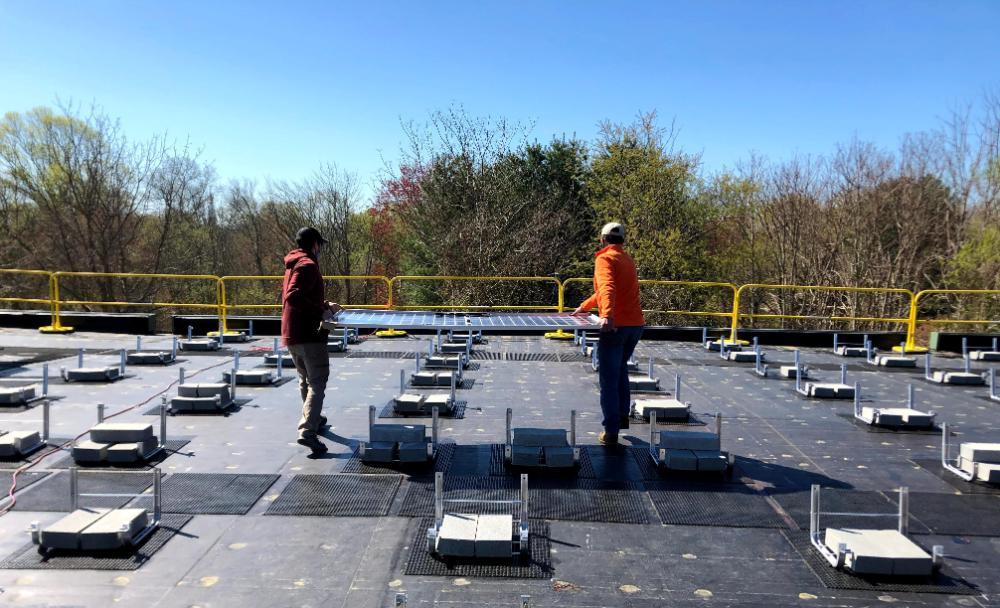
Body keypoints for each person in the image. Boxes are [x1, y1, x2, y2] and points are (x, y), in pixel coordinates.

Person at [572, 222, 645, 446]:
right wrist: (585, 307)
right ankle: (622, 416)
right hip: (634, 326)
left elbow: (607, 288)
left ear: (602, 239)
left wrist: (608, 316)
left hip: (616, 327)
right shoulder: (627, 259)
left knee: (609, 380)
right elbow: (605, 292)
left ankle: (611, 432)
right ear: (623, 240)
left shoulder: (604, 259)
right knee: (621, 369)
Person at [281, 226, 342, 454]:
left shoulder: (294, 263)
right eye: (320, 245)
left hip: (293, 334)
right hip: (308, 335)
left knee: (305, 379)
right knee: (318, 381)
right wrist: (321, 312)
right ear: (315, 244)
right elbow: (294, 296)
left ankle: (313, 418)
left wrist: (324, 305)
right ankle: (307, 430)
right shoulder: (307, 265)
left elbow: (298, 296)